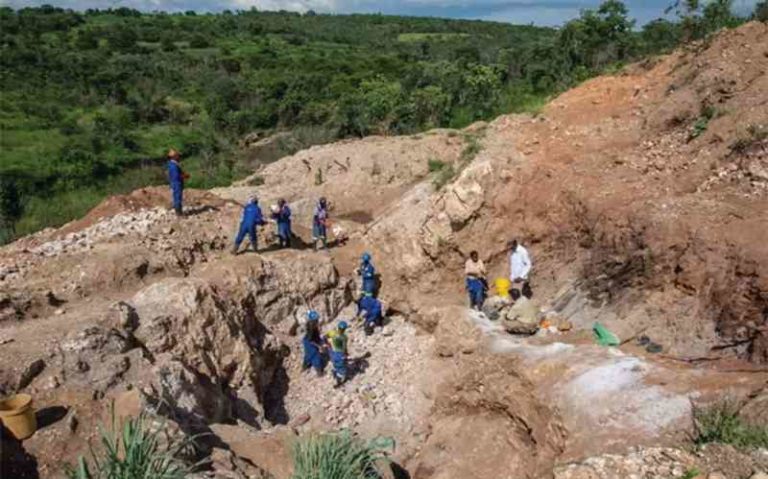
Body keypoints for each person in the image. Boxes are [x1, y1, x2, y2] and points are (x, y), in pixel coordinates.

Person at [325, 321, 349, 387]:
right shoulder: (344, 337)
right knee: (341, 367)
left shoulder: (333, 332)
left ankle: (336, 373)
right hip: (339, 353)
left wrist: (328, 345)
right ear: (344, 329)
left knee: (335, 363)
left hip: (332, 352)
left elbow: (325, 337)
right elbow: (344, 348)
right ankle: (339, 380)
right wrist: (345, 354)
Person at [302, 310, 325, 376]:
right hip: (309, 343)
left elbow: (316, 336)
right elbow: (311, 340)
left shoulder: (312, 324)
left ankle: (305, 367)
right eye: (316, 319)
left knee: (308, 355)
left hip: (309, 340)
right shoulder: (311, 329)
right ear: (313, 320)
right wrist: (319, 346)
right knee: (316, 356)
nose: (317, 320)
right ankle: (319, 372)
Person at [167, 149, 188, 216]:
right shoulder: (173, 165)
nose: (179, 157)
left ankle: (179, 211)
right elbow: (176, 176)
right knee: (177, 197)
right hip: (177, 183)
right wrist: (184, 176)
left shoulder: (172, 164)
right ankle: (179, 213)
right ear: (174, 156)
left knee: (177, 196)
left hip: (176, 183)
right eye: (177, 155)